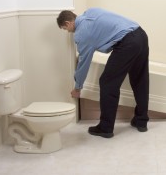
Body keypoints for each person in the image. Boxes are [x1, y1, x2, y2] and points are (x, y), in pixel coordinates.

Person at [57, 8, 149, 138]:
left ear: (67, 23)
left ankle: (105, 128)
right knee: (140, 79)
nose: (68, 32)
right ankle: (141, 121)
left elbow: (83, 63)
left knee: (107, 82)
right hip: (141, 34)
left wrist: (78, 87)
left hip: (127, 43)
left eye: (65, 29)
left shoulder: (81, 33)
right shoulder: (91, 11)